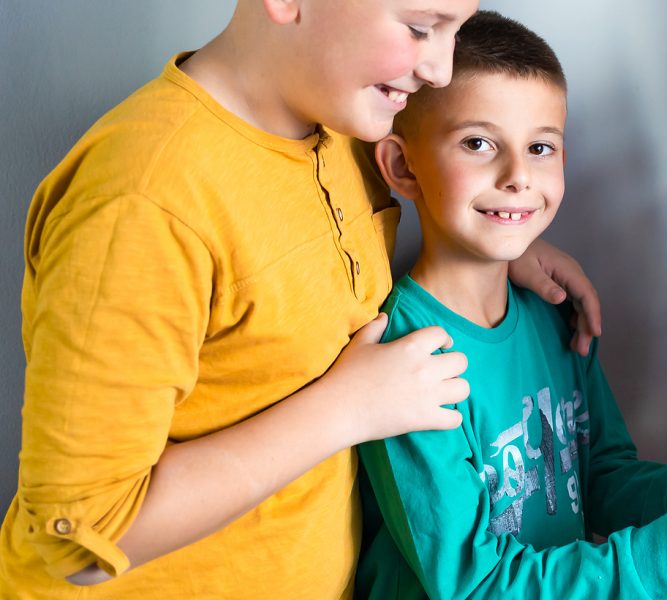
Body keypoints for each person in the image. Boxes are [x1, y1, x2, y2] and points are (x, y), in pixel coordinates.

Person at [0, 1, 604, 598]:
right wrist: (344, 410)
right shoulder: (143, 202)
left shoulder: (343, 132)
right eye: (421, 28)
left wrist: (505, 247)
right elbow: (79, 537)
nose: (440, 69)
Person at [358, 11, 667, 599]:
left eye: (541, 146)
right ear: (401, 165)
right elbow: (474, 586)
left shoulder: (555, 315)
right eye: (478, 143)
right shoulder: (407, 361)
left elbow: (599, 483)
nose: (518, 176)